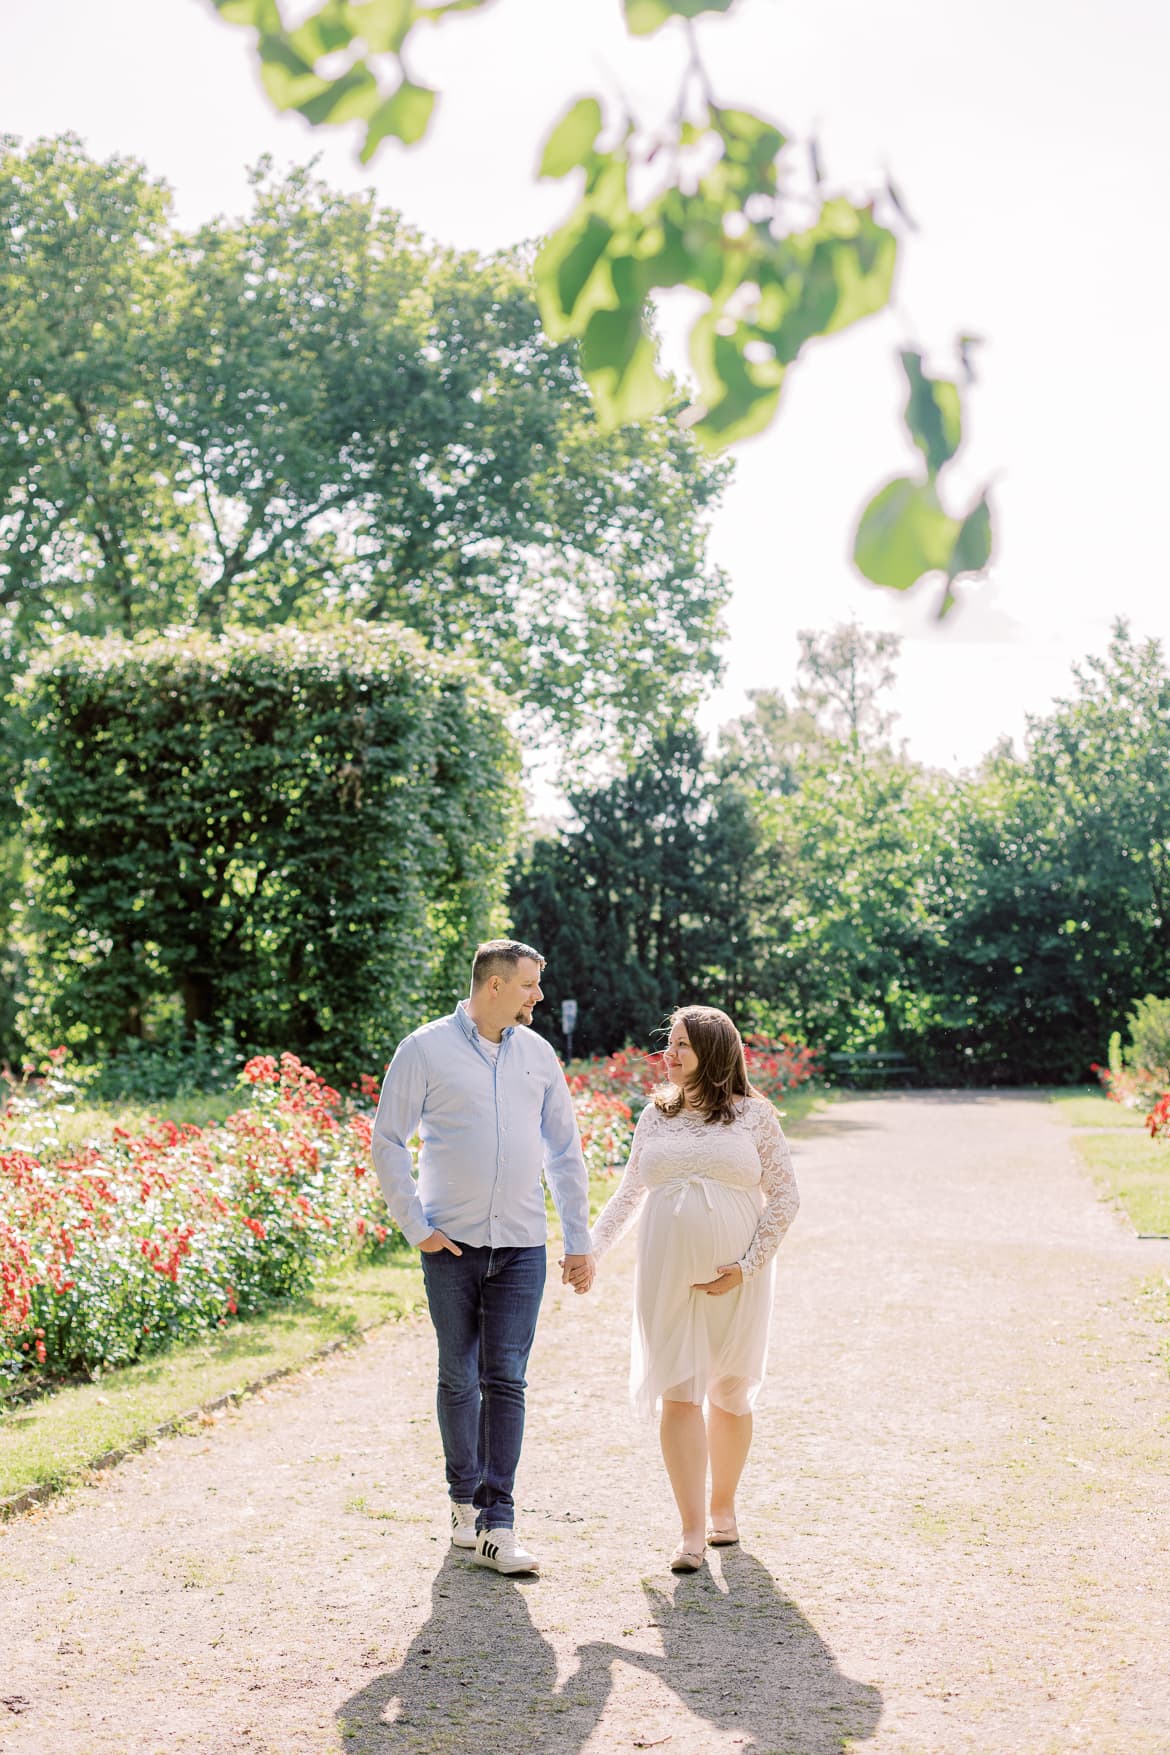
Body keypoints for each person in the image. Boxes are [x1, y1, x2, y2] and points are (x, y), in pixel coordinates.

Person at [372, 938, 595, 1578]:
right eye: (529, 986)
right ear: (494, 986)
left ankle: (498, 1524)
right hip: (453, 1244)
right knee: (457, 1375)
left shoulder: (538, 1055)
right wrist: (416, 1227)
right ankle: (462, 1502)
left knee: (506, 1378)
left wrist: (577, 1238)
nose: (538, 996)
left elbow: (564, 1152)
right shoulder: (423, 1050)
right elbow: (388, 1139)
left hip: (522, 1245)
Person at [589, 1005, 800, 1573]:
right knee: (678, 1392)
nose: (671, 1053)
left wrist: (746, 1265)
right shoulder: (655, 1115)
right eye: (670, 1043)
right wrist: (591, 1250)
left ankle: (723, 1508)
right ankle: (689, 1532)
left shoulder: (754, 1115)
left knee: (729, 1392)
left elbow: (785, 1197)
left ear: (716, 1051)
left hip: (736, 1275)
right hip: (666, 1273)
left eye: (684, 1044)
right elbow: (629, 1195)